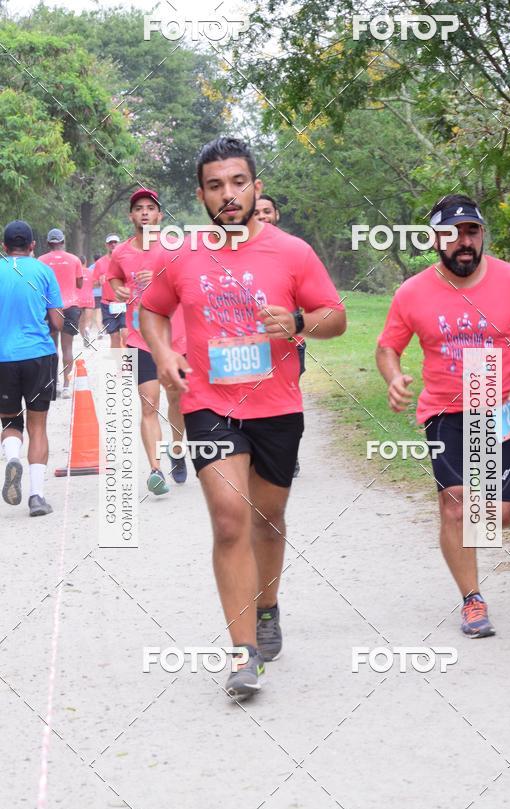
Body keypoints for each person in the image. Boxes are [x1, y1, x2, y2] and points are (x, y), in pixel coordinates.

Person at [140, 137, 346, 699]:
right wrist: (162, 354)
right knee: (231, 518)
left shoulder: (292, 252)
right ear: (202, 193)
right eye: (214, 185)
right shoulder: (180, 252)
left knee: (268, 519)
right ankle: (243, 654)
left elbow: (336, 317)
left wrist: (301, 320)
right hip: (209, 403)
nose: (227, 195)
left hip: (277, 406)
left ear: (255, 187)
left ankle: (268, 606)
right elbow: (152, 311)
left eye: (237, 182)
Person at [376, 194, 510, 638]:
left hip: (495, 405)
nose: (463, 242)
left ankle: (468, 540)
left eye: (471, 231)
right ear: (435, 239)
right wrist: (394, 377)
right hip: (444, 410)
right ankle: (472, 599)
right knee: (455, 505)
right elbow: (387, 348)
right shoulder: (412, 292)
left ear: (481, 235)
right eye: (452, 233)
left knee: (501, 514)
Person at [107, 188, 188, 495]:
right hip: (141, 340)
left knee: (177, 402)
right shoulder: (121, 252)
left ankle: (177, 451)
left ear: (159, 215)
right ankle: (155, 470)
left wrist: (160, 278)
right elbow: (113, 277)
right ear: (131, 215)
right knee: (148, 405)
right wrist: (120, 289)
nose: (144, 212)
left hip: (174, 339)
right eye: (138, 208)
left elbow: (188, 283)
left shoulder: (174, 247)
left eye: (149, 208)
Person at [0, 221, 63, 516]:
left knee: (10, 423)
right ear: (33, 246)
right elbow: (58, 322)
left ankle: (12, 457)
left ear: (4, 246)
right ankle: (37, 497)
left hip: (3, 358)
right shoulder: (43, 271)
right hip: (39, 355)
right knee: (38, 427)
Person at [254, 192, 304, 477]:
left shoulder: (292, 250)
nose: (263, 217)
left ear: (277, 215)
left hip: (290, 340)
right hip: (255, 342)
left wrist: (296, 322)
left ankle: (289, 453)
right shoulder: (241, 251)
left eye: (267, 211)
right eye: (257, 212)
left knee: (288, 398)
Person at [38, 229, 83, 399]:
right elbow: (79, 284)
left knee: (51, 347)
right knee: (68, 347)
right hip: (70, 306)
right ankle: (66, 386)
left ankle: (53, 384)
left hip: (49, 308)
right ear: (63, 242)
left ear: (49, 243)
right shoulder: (74, 259)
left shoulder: (41, 261)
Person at [94, 235, 126, 348]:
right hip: (108, 304)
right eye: (110, 243)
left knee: (126, 334)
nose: (113, 245)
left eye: (115, 242)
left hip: (124, 303)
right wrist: (99, 281)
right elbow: (93, 284)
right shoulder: (100, 262)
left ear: (119, 244)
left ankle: (130, 364)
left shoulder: (125, 260)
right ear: (106, 245)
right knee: (115, 336)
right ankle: (119, 365)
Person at [77, 254, 96, 346]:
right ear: (85, 262)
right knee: (89, 320)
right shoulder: (91, 272)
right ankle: (87, 329)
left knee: (81, 321)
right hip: (89, 298)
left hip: (78, 299)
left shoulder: (74, 273)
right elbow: (96, 284)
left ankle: (84, 338)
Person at [88, 253, 103, 339]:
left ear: (94, 259)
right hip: (102, 294)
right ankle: (100, 330)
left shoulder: (90, 269)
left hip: (92, 294)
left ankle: (87, 331)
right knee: (98, 314)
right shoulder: (103, 267)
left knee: (91, 315)